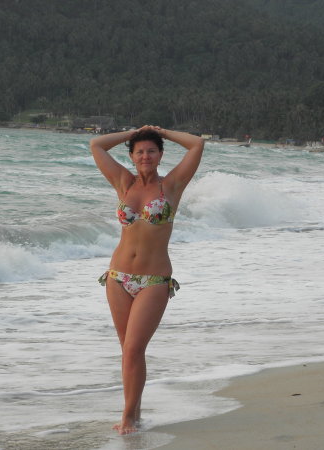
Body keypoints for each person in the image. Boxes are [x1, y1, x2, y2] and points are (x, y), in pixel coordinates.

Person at [90, 125, 204, 434]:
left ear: (161, 155)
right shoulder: (123, 183)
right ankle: (135, 413)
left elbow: (196, 144)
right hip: (117, 277)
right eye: (139, 151)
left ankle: (128, 417)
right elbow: (97, 145)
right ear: (131, 156)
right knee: (128, 350)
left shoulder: (172, 186)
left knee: (133, 349)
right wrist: (133, 132)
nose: (145, 156)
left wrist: (160, 131)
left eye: (151, 151)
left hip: (154, 280)